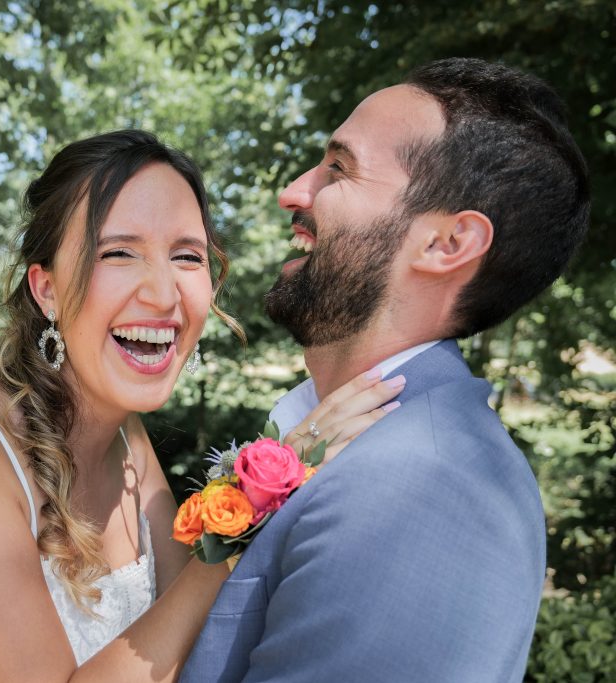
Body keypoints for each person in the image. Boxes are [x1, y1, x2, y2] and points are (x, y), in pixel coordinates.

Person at [0, 130, 405, 681]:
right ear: (46, 289)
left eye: (187, 256)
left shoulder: (128, 442)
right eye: (119, 252)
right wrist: (248, 517)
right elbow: (198, 596)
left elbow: (199, 643)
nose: (164, 293)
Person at [181, 58, 591, 682]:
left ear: (446, 245)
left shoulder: (424, 488)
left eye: (338, 169)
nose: (293, 191)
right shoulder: (352, 441)